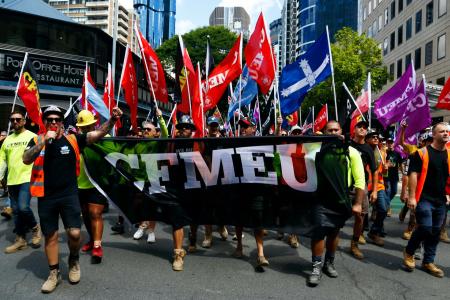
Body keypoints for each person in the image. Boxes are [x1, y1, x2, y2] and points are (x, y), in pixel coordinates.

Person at [22, 105, 122, 293]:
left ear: (61, 122)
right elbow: (26, 159)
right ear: (44, 122)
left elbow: (98, 134)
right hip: (46, 197)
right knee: (50, 236)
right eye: (49, 119)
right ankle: (54, 273)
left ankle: (73, 259)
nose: (53, 122)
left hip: (69, 195)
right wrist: (43, 142)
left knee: (75, 234)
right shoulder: (36, 139)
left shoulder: (73, 139)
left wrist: (113, 120)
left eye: (56, 119)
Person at [307, 121, 365, 287]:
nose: (333, 132)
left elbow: (360, 180)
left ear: (341, 131)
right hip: (320, 198)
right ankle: (316, 268)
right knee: (319, 232)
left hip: (341, 199)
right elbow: (300, 157)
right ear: (324, 132)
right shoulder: (316, 149)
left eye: (336, 130)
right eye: (329, 130)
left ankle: (329, 263)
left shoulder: (351, 151)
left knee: (333, 232)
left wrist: (358, 203)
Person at [403, 122, 450, 278]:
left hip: (441, 200)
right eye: (442, 131)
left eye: (447, 131)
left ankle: (428, 261)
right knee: (425, 228)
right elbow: (413, 174)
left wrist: (448, 194)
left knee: (435, 232)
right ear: (434, 135)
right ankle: (409, 252)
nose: (445, 133)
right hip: (424, 198)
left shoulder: (449, 154)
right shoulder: (421, 153)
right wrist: (411, 196)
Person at [0, 111, 41, 253]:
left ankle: (35, 228)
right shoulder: (7, 140)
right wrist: (0, 177)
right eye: (13, 120)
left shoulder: (33, 137)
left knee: (23, 207)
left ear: (24, 121)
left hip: (27, 178)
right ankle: (21, 240)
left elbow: (40, 157)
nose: (15, 122)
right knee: (16, 211)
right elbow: (2, 160)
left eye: (18, 119)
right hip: (12, 180)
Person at [233, 117, 270, 267]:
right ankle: (239, 246)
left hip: (256, 189)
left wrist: (279, 126)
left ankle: (260, 253)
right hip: (239, 188)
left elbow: (277, 142)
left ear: (253, 129)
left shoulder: (260, 143)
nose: (242, 129)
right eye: (241, 126)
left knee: (258, 220)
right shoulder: (233, 143)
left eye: (246, 126)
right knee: (239, 219)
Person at [76, 110, 108, 264]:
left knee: (95, 213)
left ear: (95, 124)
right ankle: (91, 238)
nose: (86, 129)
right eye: (83, 127)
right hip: (79, 184)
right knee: (86, 214)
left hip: (97, 183)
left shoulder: (106, 138)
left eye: (89, 126)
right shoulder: (76, 140)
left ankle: (97, 245)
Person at [133, 108, 168, 243]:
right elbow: (134, 163)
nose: (146, 131)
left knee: (152, 206)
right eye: (144, 130)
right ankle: (142, 227)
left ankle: (151, 232)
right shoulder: (137, 145)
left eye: (149, 130)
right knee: (142, 205)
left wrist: (161, 119)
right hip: (140, 180)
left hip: (155, 179)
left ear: (155, 133)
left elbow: (165, 134)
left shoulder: (158, 143)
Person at [349, 120, 377, 259]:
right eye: (359, 126)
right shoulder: (346, 144)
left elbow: (375, 170)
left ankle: (354, 243)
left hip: (361, 186)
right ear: (353, 129)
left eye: (365, 127)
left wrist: (375, 190)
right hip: (345, 184)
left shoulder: (368, 149)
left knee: (360, 217)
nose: (362, 129)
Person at [365, 130, 388, 246]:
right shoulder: (362, 151)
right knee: (361, 213)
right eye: (372, 137)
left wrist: (385, 168)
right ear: (367, 139)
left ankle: (374, 232)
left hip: (378, 185)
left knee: (383, 209)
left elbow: (384, 173)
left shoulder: (382, 152)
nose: (375, 138)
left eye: (377, 137)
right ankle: (358, 235)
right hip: (364, 185)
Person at [0, 130, 13, 219]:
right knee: (10, 188)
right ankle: (9, 207)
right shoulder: (4, 143)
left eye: (3, 135)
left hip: (20, 173)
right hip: (6, 167)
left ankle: (9, 207)